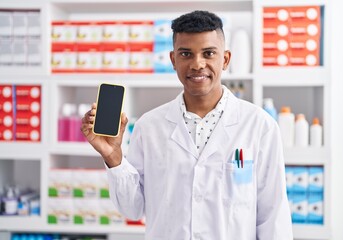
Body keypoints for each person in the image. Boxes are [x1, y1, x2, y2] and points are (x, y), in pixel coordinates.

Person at [81, 10, 293, 240]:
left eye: (208, 53)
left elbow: (274, 219)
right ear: (173, 60)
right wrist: (114, 158)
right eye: (186, 54)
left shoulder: (260, 126)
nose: (197, 64)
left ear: (225, 59)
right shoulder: (149, 126)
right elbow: (132, 209)